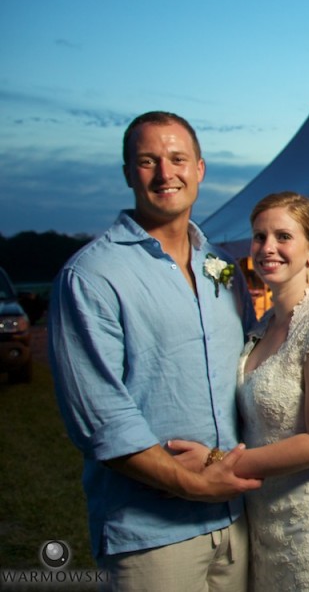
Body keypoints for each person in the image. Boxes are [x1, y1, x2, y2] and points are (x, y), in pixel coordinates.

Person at [48, 111, 262, 589]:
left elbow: (253, 369)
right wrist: (195, 484)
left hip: (237, 521)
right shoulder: (91, 277)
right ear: (128, 173)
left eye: (177, 159)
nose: (166, 174)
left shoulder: (222, 267)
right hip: (151, 535)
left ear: (200, 169)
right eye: (148, 161)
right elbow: (101, 421)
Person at [172, 192, 309, 590]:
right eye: (259, 237)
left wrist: (218, 462)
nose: (267, 248)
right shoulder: (264, 323)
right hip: (265, 518)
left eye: (283, 237)